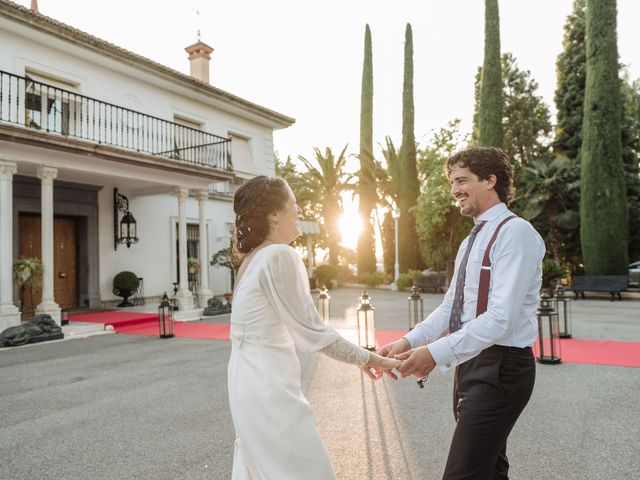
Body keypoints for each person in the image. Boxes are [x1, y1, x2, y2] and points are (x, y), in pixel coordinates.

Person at [375, 147, 545, 479]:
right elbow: (451, 308)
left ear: (490, 180)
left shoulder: (516, 233)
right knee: (490, 469)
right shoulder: (470, 242)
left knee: (462, 474)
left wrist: (434, 354)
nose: (454, 190)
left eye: (462, 180)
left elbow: (500, 318)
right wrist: (408, 341)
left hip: (503, 368)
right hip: (471, 364)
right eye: (452, 182)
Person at [228, 175, 400, 480]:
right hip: (270, 388)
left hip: (244, 383)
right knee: (304, 469)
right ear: (274, 214)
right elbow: (313, 331)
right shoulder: (279, 255)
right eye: (294, 204)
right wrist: (369, 358)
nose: (299, 211)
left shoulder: (251, 259)